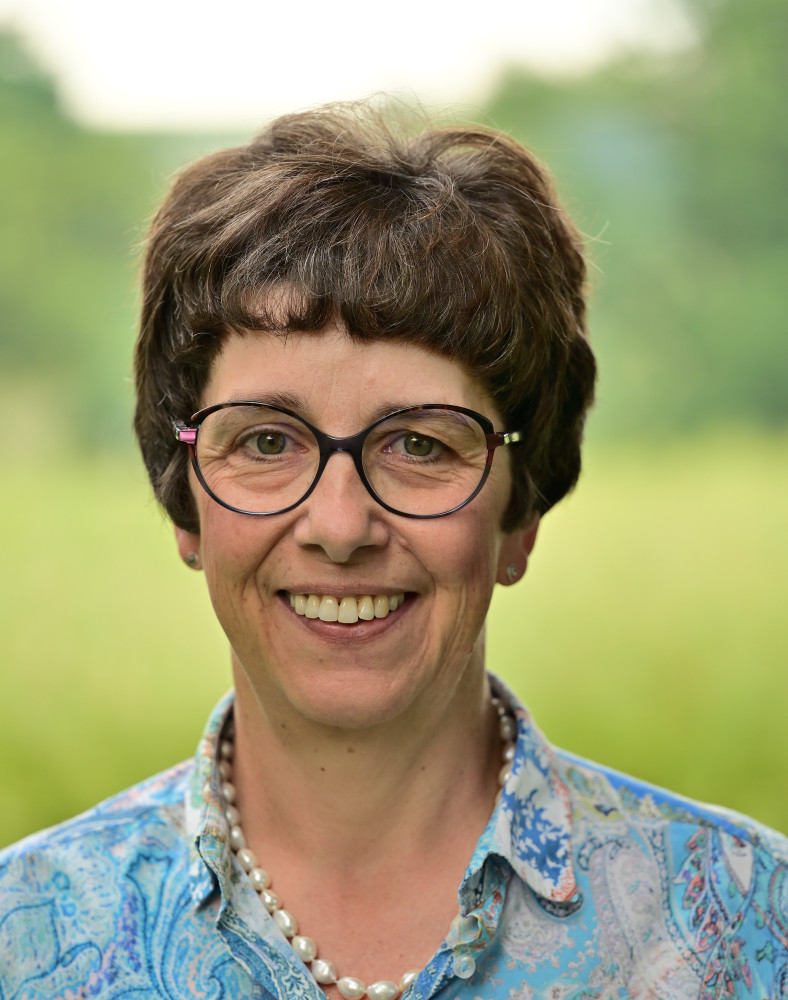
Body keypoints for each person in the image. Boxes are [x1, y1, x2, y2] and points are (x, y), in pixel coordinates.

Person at [1, 101, 786, 1000]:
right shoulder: (22, 940)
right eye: (266, 441)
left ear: (520, 513)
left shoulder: (750, 931)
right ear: (186, 503)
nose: (340, 527)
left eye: (419, 444)